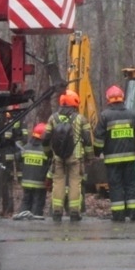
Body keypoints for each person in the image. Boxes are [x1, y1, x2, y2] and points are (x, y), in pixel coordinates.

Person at [93, 85, 135, 222]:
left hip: (112, 160)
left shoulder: (105, 116)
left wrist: (97, 152)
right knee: (131, 185)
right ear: (123, 98)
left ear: (108, 99)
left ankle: (119, 215)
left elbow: (99, 138)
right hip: (130, 158)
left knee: (116, 187)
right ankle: (134, 214)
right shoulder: (132, 114)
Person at [42, 89, 95, 222]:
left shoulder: (52, 118)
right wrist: (90, 157)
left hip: (58, 157)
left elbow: (45, 139)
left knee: (58, 183)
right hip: (75, 157)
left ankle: (57, 212)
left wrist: (49, 153)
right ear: (75, 104)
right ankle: (74, 212)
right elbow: (88, 141)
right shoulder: (81, 119)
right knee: (75, 184)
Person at [13, 123, 49, 220]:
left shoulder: (26, 148)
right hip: (40, 184)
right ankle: (35, 224)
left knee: (26, 201)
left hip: (26, 183)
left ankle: (22, 218)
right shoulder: (45, 150)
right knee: (37, 204)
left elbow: (17, 157)